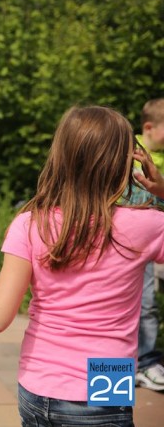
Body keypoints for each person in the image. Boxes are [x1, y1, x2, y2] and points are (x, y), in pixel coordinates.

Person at [0, 105, 164, 427]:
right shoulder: (146, 225)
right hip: (106, 384)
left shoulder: (30, 224)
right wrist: (161, 191)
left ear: (61, 156)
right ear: (123, 161)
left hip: (37, 385)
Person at [127, 98, 164, 392]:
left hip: (45, 380)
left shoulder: (34, 224)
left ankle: (145, 364)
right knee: (110, 413)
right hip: (106, 365)